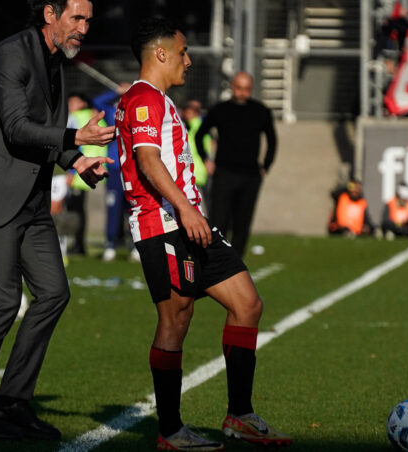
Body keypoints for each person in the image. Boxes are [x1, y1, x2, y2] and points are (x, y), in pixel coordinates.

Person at [116, 16, 292, 450]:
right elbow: (148, 161)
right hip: (165, 224)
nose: (188, 61)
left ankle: (240, 416)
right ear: (160, 53)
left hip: (189, 220)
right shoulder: (143, 98)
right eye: (182, 52)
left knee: (247, 303)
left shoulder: (155, 99)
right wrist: (183, 208)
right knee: (175, 319)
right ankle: (172, 431)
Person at [0, 0, 114, 441]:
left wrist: (76, 159)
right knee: (2, 303)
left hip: (33, 199)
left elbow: (46, 131)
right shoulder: (11, 54)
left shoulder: (55, 60)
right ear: (49, 14)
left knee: (55, 293)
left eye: (88, 20)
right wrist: (77, 136)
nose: (84, 28)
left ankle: (13, 402)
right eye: (76, 18)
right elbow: (18, 127)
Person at [195, 71, 276, 257]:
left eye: (247, 89)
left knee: (243, 222)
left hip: (250, 175)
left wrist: (266, 166)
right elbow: (201, 134)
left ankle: (237, 264)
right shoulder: (220, 110)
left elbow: (272, 140)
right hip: (224, 172)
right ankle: (215, 259)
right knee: (219, 220)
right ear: (232, 87)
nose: (242, 93)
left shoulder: (261, 111)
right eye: (239, 88)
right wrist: (206, 159)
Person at [91, 82, 137, 262]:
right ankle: (110, 244)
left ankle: (135, 246)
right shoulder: (113, 111)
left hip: (134, 170)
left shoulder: (137, 111)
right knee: (113, 207)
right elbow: (97, 101)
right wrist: (116, 91)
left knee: (134, 208)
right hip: (116, 167)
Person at [65, 93, 108, 256]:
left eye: (73, 101)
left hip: (79, 170)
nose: (70, 104)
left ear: (83, 103)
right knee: (80, 209)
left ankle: (77, 244)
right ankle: (78, 244)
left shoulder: (76, 117)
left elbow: (74, 144)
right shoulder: (97, 118)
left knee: (75, 209)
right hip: (95, 168)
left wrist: (69, 171)